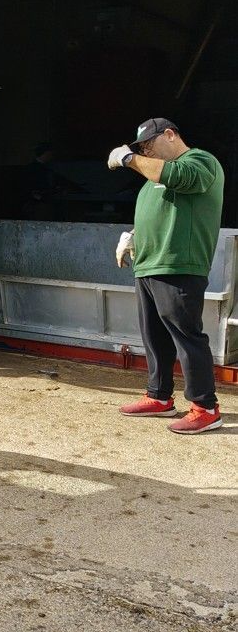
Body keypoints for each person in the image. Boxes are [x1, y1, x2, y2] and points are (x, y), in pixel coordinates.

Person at [108, 118, 225, 434]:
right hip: (148, 264)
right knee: (154, 337)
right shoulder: (152, 178)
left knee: (187, 336)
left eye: (148, 145)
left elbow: (183, 180)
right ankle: (159, 397)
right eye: (140, 149)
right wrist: (133, 234)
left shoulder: (199, 161)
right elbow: (160, 212)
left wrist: (129, 158)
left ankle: (206, 407)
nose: (145, 152)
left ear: (170, 135)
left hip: (179, 265)